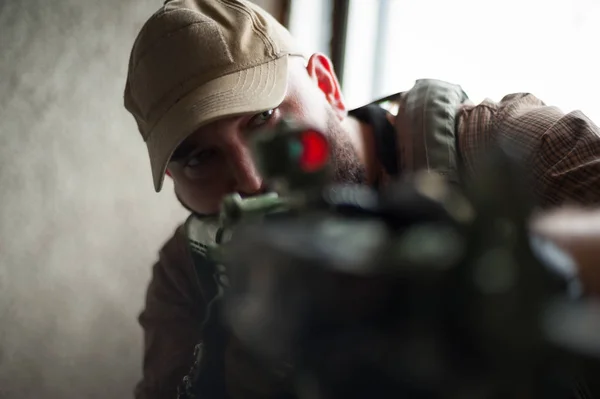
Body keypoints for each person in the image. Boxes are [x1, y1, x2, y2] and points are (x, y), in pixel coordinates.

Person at [123, 0, 600, 398]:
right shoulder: (187, 273)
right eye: (199, 159)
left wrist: (480, 270)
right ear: (172, 177)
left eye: (264, 118)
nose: (249, 179)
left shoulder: (504, 142)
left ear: (326, 85)